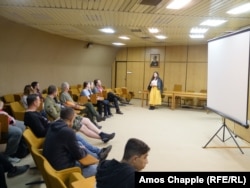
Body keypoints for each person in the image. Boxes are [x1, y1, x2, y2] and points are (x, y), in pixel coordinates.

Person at [25, 93, 115, 144]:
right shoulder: (31, 116)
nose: (40, 102)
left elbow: (45, 123)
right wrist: (56, 121)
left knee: (86, 120)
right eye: (38, 100)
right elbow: (42, 132)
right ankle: (102, 137)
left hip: (56, 123)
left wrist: (53, 122)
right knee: (82, 126)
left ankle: (102, 134)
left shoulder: (34, 112)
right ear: (34, 102)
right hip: (55, 127)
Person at [43, 107, 98, 178]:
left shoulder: (52, 125)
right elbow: (79, 156)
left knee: (79, 145)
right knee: (98, 169)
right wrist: (83, 150)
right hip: (64, 171)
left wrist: (79, 149)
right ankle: (97, 157)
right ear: (72, 119)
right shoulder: (68, 132)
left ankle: (97, 156)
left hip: (53, 165)